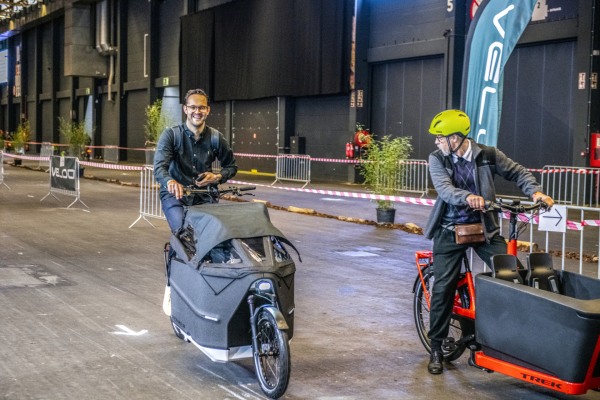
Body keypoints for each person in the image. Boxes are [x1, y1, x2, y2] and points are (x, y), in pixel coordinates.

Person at [424, 109, 554, 375]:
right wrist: (467, 197)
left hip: (484, 229)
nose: (437, 142)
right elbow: (446, 190)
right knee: (444, 288)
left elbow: (517, 172)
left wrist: (536, 192)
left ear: (456, 138)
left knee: (512, 274)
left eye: (440, 137)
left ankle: (505, 341)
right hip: (449, 229)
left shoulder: (488, 154)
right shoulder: (437, 159)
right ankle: (436, 347)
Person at [154, 88, 238, 234]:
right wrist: (170, 182)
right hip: (176, 196)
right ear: (185, 109)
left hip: (205, 195)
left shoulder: (216, 138)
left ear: (208, 110)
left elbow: (231, 167)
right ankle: (177, 252)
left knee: (215, 233)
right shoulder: (171, 135)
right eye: (193, 107)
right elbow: (159, 168)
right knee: (184, 232)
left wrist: (217, 177)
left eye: (202, 107)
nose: (197, 111)